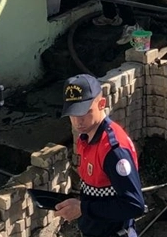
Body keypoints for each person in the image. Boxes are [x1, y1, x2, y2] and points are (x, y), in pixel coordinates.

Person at [55, 74, 146, 237]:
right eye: (72, 114)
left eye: (84, 113)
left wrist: (82, 208)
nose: (77, 121)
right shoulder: (86, 138)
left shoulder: (114, 151)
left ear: (102, 104)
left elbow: (134, 205)